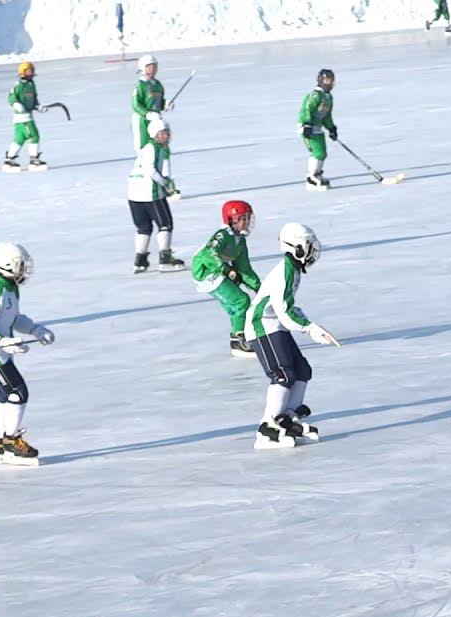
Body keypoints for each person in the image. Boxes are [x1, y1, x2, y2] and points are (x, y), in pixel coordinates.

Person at [248, 223, 341, 449]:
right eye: (308, 245)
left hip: (275, 324)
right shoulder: (286, 270)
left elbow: (288, 307)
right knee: (283, 374)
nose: (312, 250)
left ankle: (287, 418)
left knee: (302, 371)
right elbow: (284, 310)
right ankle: (268, 426)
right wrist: (309, 328)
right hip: (262, 325)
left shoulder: (293, 269)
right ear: (296, 247)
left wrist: (310, 324)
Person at [0, 242, 55, 466]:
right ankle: (11, 442)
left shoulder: (10, 288)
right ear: (7, 266)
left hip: (0, 351)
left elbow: (14, 318)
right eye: (20, 266)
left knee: (4, 396)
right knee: (18, 392)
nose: (23, 270)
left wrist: (35, 329)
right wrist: (2, 343)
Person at [191, 200, 262, 357]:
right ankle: (238, 340)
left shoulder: (240, 241)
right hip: (206, 272)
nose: (247, 222)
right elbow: (208, 254)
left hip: (219, 271)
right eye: (243, 218)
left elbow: (244, 269)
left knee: (235, 305)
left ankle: (238, 335)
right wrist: (227, 269)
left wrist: (259, 288)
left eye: (248, 218)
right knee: (240, 301)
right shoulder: (222, 235)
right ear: (231, 220)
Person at [127, 117, 184, 273]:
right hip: (149, 193)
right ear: (155, 135)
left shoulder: (147, 149)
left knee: (144, 228)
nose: (166, 136)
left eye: (167, 133)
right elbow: (150, 170)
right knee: (165, 224)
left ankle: (140, 260)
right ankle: (165, 258)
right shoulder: (154, 148)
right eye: (163, 133)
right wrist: (165, 184)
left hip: (133, 194)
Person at [3, 61, 47, 171]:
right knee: (34, 136)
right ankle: (34, 160)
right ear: (22, 72)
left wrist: (38, 107)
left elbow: (33, 100)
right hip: (23, 118)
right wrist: (16, 104)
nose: (30, 73)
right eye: (28, 71)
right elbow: (11, 97)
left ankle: (9, 160)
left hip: (27, 116)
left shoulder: (31, 85)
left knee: (19, 138)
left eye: (31, 71)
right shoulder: (19, 85)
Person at [298, 69, 338, 190]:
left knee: (322, 152)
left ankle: (317, 175)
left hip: (317, 127)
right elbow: (306, 109)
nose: (329, 83)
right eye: (326, 80)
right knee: (317, 152)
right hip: (307, 127)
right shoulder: (315, 95)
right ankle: (311, 178)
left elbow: (326, 115)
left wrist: (331, 128)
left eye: (331, 80)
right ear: (320, 81)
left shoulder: (328, 97)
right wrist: (307, 123)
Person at [130, 53, 168, 149]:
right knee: (143, 146)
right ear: (143, 68)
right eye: (150, 66)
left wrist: (166, 104)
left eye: (155, 66)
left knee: (157, 145)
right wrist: (147, 114)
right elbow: (135, 105)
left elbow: (158, 103)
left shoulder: (158, 85)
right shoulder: (140, 85)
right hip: (142, 120)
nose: (153, 68)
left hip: (156, 120)